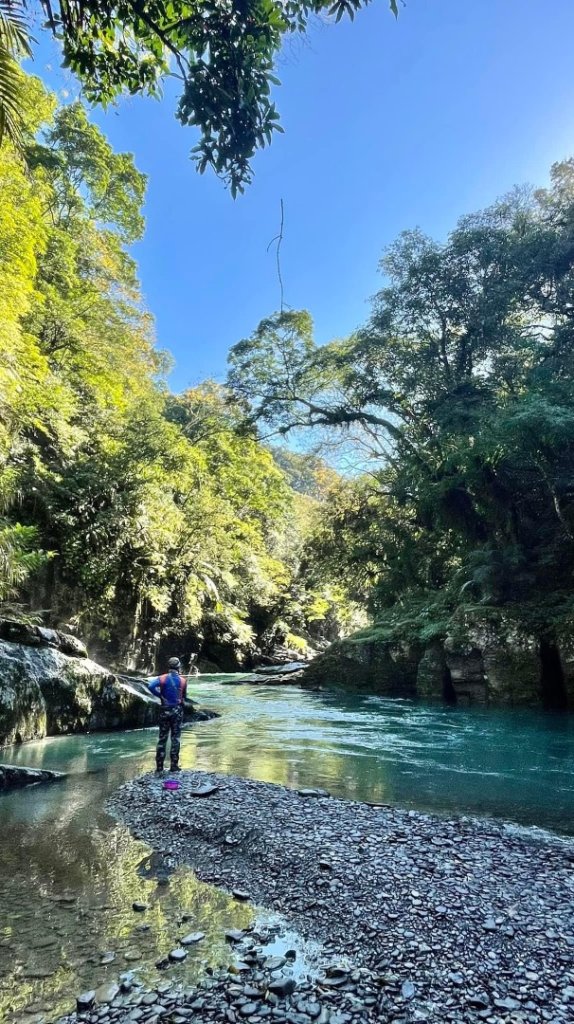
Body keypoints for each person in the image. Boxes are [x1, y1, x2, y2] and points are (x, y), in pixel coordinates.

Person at [148, 656, 189, 773]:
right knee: (175, 738)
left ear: (169, 666)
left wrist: (160, 695)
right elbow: (184, 697)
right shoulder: (183, 681)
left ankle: (159, 767)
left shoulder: (162, 678)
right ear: (178, 667)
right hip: (177, 711)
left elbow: (150, 686)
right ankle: (174, 766)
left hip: (164, 710)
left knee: (162, 738)